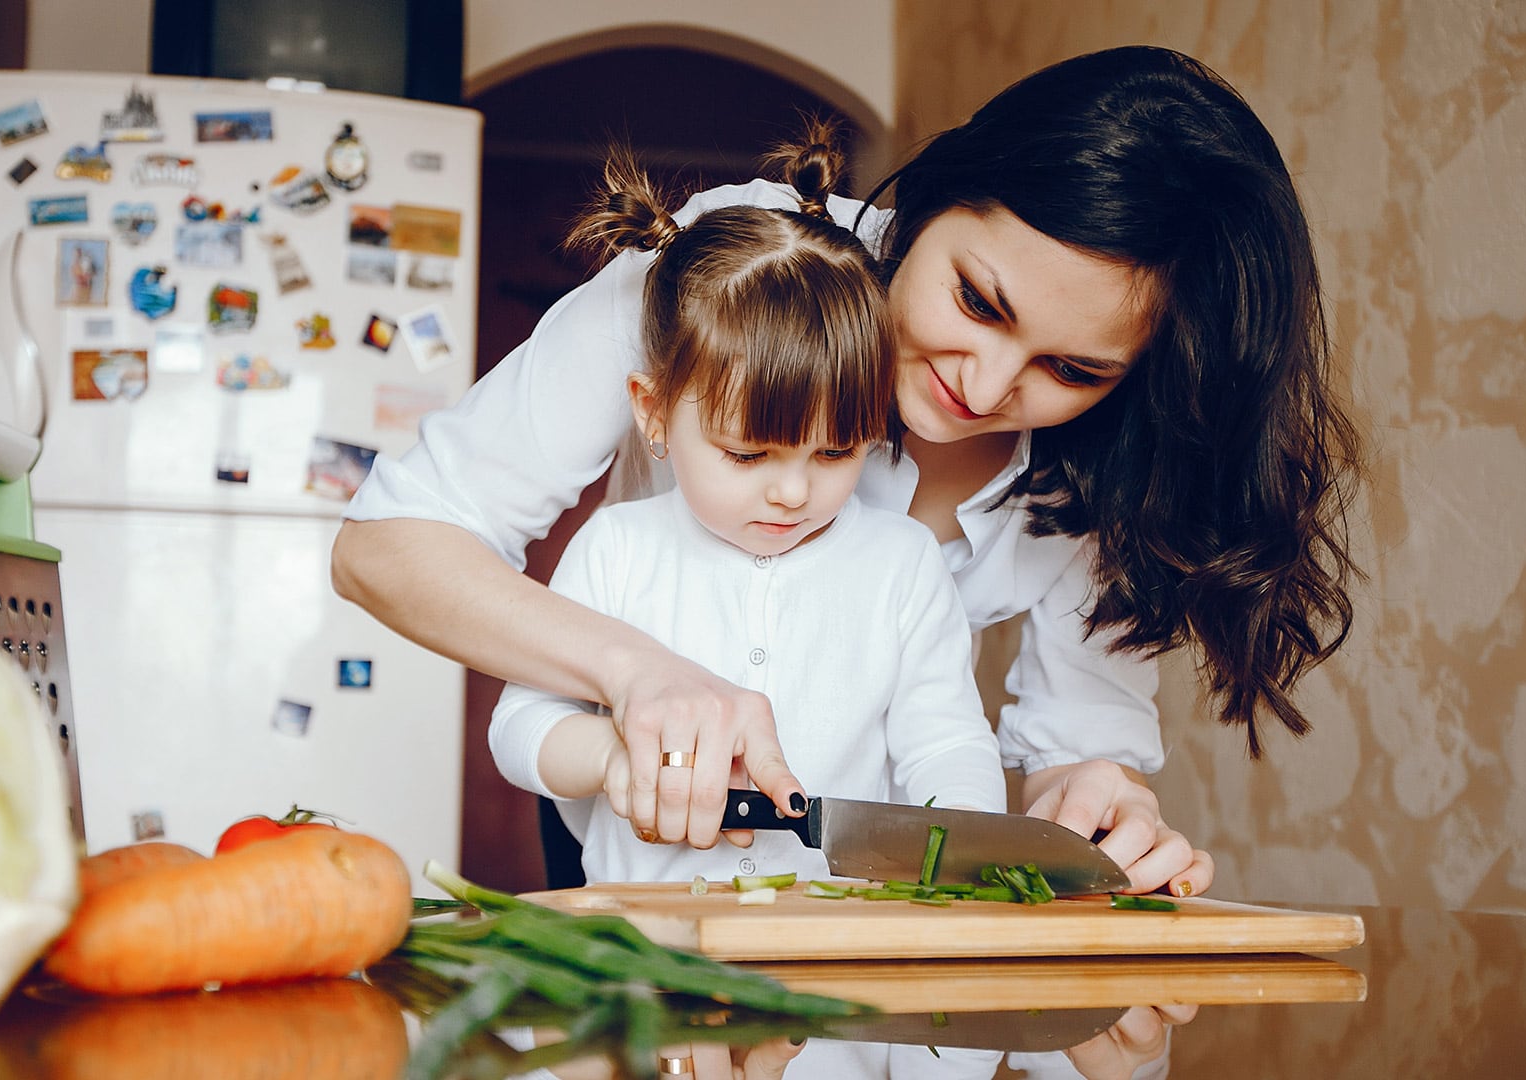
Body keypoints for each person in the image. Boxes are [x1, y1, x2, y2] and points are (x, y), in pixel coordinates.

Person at [333, 45, 1361, 897]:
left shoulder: (1109, 460)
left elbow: (1069, 742)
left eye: (1073, 368)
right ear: (937, 193)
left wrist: (1100, 802)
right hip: (645, 837)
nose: (987, 383)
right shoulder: (739, 271)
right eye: (980, 301)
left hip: (860, 904)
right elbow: (389, 546)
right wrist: (639, 677)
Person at [488, 133, 1007, 885]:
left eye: (836, 453)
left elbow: (946, 744)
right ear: (655, 411)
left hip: (836, 946)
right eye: (747, 454)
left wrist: (967, 858)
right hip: (646, 942)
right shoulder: (618, 550)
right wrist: (612, 760)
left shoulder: (902, 565)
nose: (794, 493)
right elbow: (519, 726)